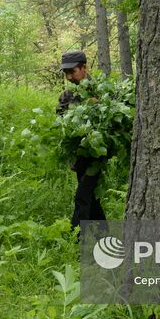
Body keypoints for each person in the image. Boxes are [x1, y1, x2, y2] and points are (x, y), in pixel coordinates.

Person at [57, 50, 106, 231]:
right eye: (66, 73)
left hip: (96, 154)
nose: (69, 77)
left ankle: (75, 238)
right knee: (90, 197)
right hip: (79, 155)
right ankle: (104, 233)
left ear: (84, 67)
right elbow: (61, 118)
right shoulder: (66, 95)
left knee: (82, 196)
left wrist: (97, 104)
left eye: (73, 72)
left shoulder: (101, 89)